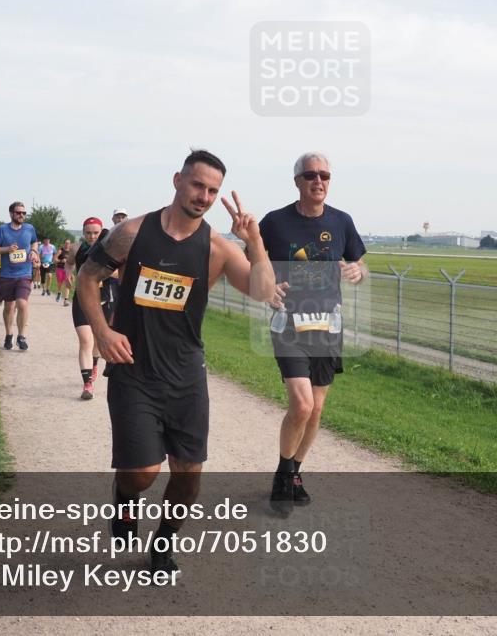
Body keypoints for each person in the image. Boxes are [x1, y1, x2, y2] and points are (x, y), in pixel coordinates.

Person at [76, 150, 274, 577]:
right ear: (177, 181)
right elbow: (87, 278)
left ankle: (162, 546)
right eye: (198, 185)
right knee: (142, 474)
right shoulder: (132, 233)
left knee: (187, 476)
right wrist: (104, 332)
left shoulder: (216, 249)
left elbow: (261, 290)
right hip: (135, 372)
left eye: (213, 190)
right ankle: (125, 498)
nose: (204, 196)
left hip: (186, 376)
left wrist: (254, 243)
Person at [259, 152, 367, 515]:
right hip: (289, 324)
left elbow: (358, 263)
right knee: (301, 404)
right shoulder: (275, 222)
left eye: (324, 175)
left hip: (327, 326)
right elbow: (251, 263)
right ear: (297, 181)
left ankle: (292, 472)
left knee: (317, 409)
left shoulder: (342, 221)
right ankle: (283, 479)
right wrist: (266, 287)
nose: (318, 181)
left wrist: (357, 272)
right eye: (310, 175)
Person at [65, 218, 115, 400]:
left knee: (96, 341)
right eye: (88, 232)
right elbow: (69, 262)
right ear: (83, 232)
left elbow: (120, 271)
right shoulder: (77, 248)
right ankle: (87, 384)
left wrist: (103, 273)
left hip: (104, 301)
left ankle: (94, 364)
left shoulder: (110, 249)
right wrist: (68, 275)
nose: (92, 236)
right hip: (82, 299)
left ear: (101, 232)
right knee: (85, 340)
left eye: (95, 232)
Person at [0, 202, 39, 350]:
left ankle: (21, 336)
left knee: (22, 304)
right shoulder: (2, 230)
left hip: (24, 273)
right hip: (7, 274)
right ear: (11, 213)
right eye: (18, 213)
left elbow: (34, 242)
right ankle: (9, 334)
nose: (21, 215)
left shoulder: (30, 228)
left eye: (24, 213)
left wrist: (34, 252)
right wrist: (7, 249)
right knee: (9, 307)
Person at [55, 239, 73, 304]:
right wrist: (61, 261)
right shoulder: (60, 251)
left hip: (68, 270)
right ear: (64, 243)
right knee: (60, 283)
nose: (67, 244)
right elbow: (54, 259)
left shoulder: (71, 252)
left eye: (68, 243)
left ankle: (66, 300)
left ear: (70, 244)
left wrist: (72, 271)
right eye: (66, 243)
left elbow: (73, 262)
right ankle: (59, 292)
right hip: (60, 268)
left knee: (67, 284)